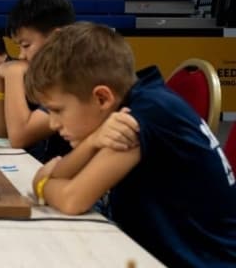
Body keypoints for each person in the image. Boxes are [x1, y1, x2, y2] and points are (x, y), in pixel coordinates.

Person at [26, 22, 236, 267]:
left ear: (102, 98)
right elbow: (58, 176)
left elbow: (72, 199)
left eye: (57, 110)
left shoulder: (137, 119)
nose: (53, 124)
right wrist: (92, 141)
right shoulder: (138, 100)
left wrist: (43, 186)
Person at [0, 0, 75, 162]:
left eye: (26, 45)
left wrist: (13, 74)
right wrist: (0, 79)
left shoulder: (78, 76)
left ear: (56, 38)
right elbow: (3, 133)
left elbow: (18, 138)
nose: (21, 55)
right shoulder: (48, 75)